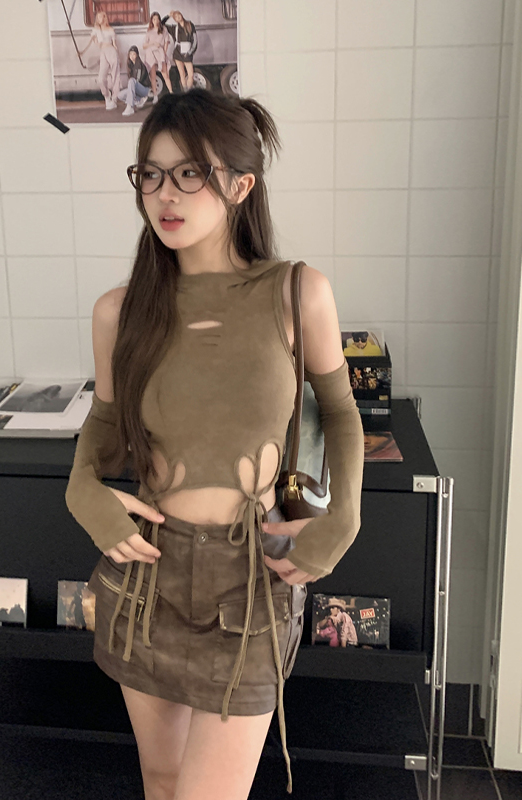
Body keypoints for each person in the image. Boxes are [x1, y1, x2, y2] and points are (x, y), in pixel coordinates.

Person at [65, 90, 364, 798]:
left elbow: (341, 413)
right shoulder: (119, 310)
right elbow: (104, 424)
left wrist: (344, 519)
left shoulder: (298, 293)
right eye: (150, 174)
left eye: (190, 173)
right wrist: (81, 489)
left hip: (250, 577)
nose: (164, 194)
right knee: (163, 780)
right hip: (147, 574)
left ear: (240, 184)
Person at [79, 10, 121, 110]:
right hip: (103, 52)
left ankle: (114, 99)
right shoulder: (96, 30)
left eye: (100, 17)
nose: (99, 19)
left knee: (115, 75)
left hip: (112, 51)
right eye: (97, 17)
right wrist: (82, 51)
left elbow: (115, 45)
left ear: (104, 18)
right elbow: (91, 41)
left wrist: (118, 56)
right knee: (101, 78)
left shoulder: (110, 29)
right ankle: (107, 96)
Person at [141, 12, 173, 103]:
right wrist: (153, 43)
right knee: (153, 76)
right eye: (154, 19)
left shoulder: (164, 30)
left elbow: (166, 42)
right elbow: (144, 45)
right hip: (150, 54)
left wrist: (164, 53)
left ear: (159, 20)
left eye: (157, 19)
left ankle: (171, 93)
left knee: (165, 74)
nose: (156, 21)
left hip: (160, 53)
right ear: (152, 20)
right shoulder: (149, 31)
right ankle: (155, 96)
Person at [162, 10, 198, 91]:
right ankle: (185, 91)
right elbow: (161, 24)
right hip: (177, 54)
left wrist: (190, 52)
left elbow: (195, 40)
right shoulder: (174, 28)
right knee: (182, 74)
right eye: (175, 17)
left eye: (179, 15)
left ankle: (189, 91)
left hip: (187, 53)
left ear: (181, 15)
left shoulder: (190, 24)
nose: (178, 17)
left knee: (191, 75)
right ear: (175, 20)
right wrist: (168, 16)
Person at [117, 46, 151, 117]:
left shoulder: (139, 64)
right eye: (130, 54)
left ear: (137, 55)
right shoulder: (131, 65)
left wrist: (132, 90)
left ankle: (130, 107)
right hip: (136, 88)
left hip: (143, 89)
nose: (132, 56)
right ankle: (138, 101)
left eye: (134, 54)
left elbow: (137, 80)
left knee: (132, 81)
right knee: (120, 95)